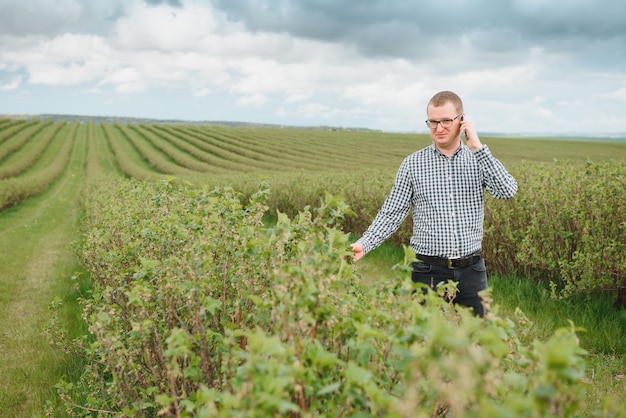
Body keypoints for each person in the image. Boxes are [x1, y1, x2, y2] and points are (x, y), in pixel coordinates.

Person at [350, 91, 517, 316]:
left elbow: (507, 191)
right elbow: (392, 213)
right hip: (426, 271)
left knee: (481, 341)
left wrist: (477, 147)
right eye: (433, 122)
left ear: (462, 120)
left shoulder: (478, 160)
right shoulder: (412, 164)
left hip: (472, 271)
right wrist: (365, 243)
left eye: (446, 121)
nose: (439, 128)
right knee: (421, 343)